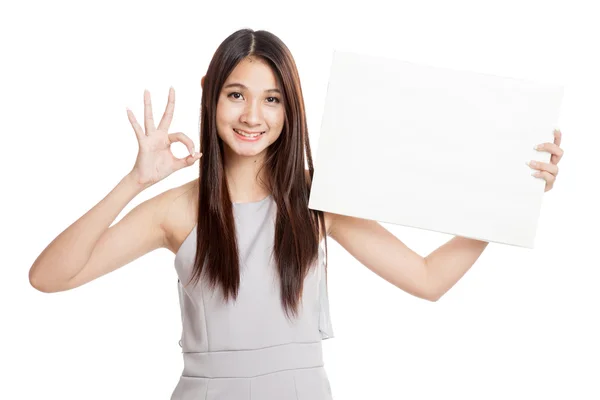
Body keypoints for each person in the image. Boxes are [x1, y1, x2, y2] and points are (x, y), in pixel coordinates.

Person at [28, 28, 565, 400]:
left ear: (291, 108)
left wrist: (511, 198)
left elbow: (428, 279)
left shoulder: (317, 199)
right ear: (210, 95)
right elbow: (48, 277)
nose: (253, 116)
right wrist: (135, 181)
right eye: (236, 95)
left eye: (273, 99)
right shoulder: (176, 210)